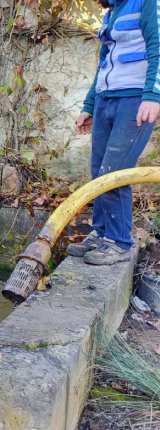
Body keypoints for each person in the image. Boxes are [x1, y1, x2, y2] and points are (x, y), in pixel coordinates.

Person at [70, 0, 160, 265]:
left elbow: (158, 49)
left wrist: (153, 96)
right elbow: (103, 64)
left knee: (115, 172)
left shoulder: (147, 3)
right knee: (99, 170)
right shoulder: (111, 13)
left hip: (134, 99)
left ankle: (119, 242)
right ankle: (102, 234)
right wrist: (89, 105)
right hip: (105, 98)